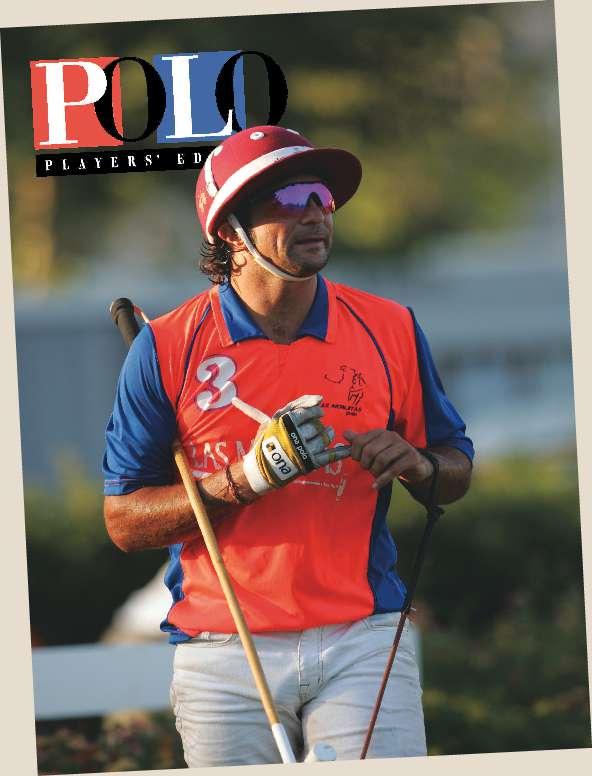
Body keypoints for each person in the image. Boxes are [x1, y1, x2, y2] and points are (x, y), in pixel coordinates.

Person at [103, 125, 474, 767]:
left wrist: (418, 464)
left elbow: (455, 467)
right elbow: (124, 522)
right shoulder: (164, 347)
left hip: (363, 637)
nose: (315, 213)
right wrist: (247, 478)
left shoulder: (390, 326)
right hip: (223, 648)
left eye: (321, 197)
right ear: (229, 231)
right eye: (288, 198)